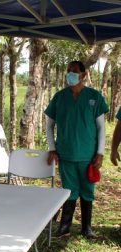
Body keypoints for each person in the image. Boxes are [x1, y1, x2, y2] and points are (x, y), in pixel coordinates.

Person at [45, 60, 108, 239]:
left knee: (88, 190)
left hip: (88, 155)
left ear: (84, 75)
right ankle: (64, 226)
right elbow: (49, 125)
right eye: (68, 71)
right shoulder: (59, 97)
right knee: (69, 190)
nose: (70, 74)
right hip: (66, 153)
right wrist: (52, 148)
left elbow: (101, 128)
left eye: (74, 71)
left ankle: (86, 227)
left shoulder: (94, 97)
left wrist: (100, 153)